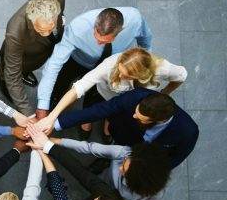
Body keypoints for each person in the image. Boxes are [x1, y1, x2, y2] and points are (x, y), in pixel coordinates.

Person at [27, 126, 171, 200]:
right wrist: (53, 141)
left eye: (125, 171)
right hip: (101, 181)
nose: (120, 167)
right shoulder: (125, 153)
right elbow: (89, 148)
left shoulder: (155, 194)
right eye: (123, 163)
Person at [34, 7, 153, 123]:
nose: (99, 43)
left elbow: (145, 39)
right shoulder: (77, 28)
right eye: (96, 37)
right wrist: (42, 105)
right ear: (95, 25)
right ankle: (54, 99)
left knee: (97, 91)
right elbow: (53, 65)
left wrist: (144, 59)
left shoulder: (135, 19)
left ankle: (87, 113)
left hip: (114, 65)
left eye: (105, 41)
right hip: (79, 61)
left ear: (119, 31)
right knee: (62, 81)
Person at [35, 47, 187, 135]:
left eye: (127, 75)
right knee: (94, 106)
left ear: (142, 74)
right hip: (104, 95)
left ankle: (108, 121)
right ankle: (88, 121)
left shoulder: (163, 69)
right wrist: (51, 117)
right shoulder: (109, 65)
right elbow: (78, 88)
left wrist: (165, 93)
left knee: (117, 117)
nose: (120, 76)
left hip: (134, 103)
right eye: (120, 70)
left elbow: (181, 75)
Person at [50, 88, 198, 169]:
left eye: (140, 117)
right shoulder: (135, 97)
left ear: (157, 120)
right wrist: (55, 123)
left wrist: (145, 172)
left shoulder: (188, 132)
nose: (134, 115)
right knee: (114, 147)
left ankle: (110, 161)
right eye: (136, 111)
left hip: (146, 155)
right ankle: (106, 159)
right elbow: (99, 110)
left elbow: (174, 159)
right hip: (123, 133)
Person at [0, 0, 66, 117]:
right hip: (21, 54)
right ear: (31, 20)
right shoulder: (15, 32)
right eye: (41, 30)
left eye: (51, 27)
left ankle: (25, 73)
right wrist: (28, 113)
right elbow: (12, 76)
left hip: (38, 54)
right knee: (8, 76)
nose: (47, 33)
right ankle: (5, 88)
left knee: (29, 66)